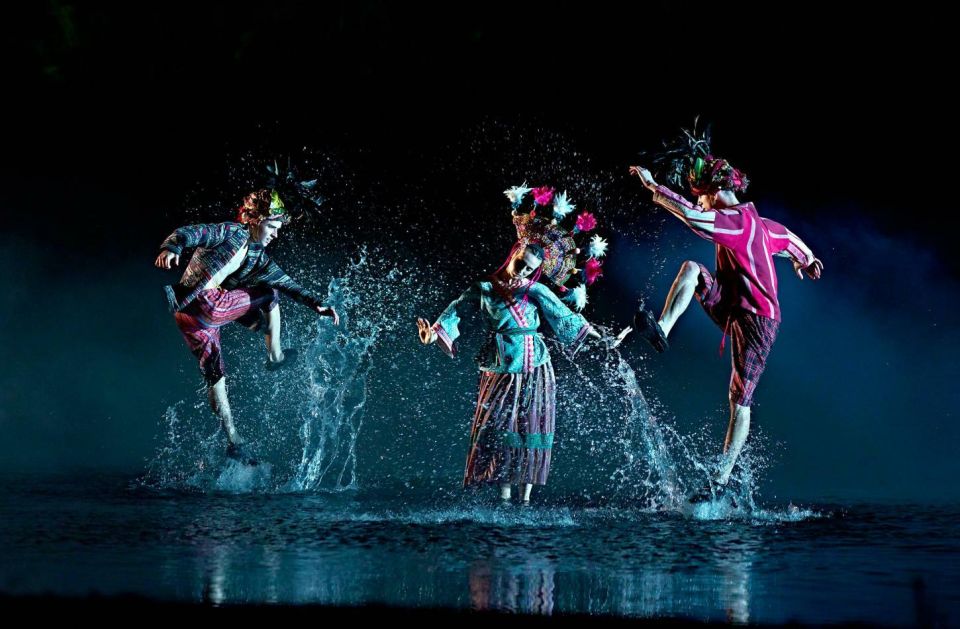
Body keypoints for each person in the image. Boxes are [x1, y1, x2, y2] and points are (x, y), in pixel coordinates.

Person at [155, 188, 339, 464]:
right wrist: (171, 247)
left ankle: (233, 440)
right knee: (269, 294)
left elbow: (288, 282)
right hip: (206, 305)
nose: (275, 234)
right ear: (256, 219)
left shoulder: (257, 258)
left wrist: (316, 304)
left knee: (215, 377)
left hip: (189, 318)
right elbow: (190, 232)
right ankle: (275, 355)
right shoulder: (231, 232)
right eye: (272, 226)